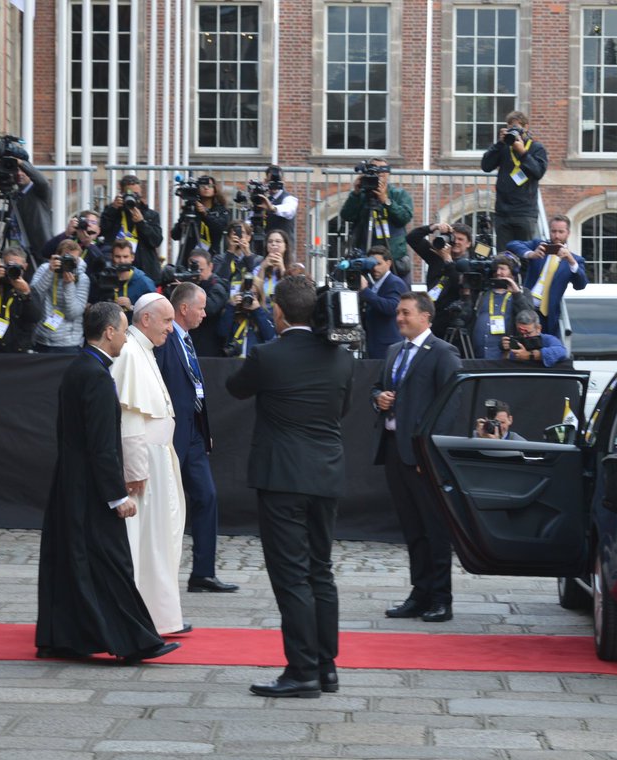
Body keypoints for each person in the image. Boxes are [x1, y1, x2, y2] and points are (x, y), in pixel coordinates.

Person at [225, 275, 355, 698]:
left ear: (278, 310)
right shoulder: (342, 358)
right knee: (321, 571)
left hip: (283, 477)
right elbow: (343, 409)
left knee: (292, 576)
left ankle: (302, 671)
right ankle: (326, 667)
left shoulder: (268, 354)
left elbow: (235, 387)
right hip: (326, 473)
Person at [35, 302, 179, 663]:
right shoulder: (98, 377)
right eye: (124, 329)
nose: (127, 339)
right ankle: (135, 641)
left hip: (70, 484)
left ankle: (63, 638)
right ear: (110, 332)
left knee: (70, 562)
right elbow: (102, 445)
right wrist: (117, 496)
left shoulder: (78, 368)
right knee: (112, 563)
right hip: (92, 491)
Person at [372, 293, 462, 623]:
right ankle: (419, 592)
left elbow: (451, 405)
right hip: (395, 449)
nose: (399, 318)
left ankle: (442, 597)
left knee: (434, 527)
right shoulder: (394, 351)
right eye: (397, 312)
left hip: (424, 455)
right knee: (411, 527)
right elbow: (377, 388)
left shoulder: (442, 352)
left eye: (405, 313)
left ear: (425, 317)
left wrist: (431, 451)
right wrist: (378, 398)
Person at [108, 294, 191, 637]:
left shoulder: (146, 351)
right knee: (147, 542)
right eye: (167, 321)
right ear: (146, 320)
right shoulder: (129, 352)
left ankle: (162, 615)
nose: (171, 329)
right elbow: (130, 419)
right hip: (145, 465)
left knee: (162, 539)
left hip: (159, 457)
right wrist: (136, 469)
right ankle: (144, 615)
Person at [155, 282, 238, 594]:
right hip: (172, 434)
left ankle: (203, 573)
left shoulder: (188, 340)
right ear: (185, 309)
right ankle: (160, 575)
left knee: (207, 497)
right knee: (169, 505)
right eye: (201, 308)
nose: (206, 313)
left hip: (194, 434)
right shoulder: (165, 340)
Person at [507, 215, 588, 339]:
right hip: (526, 306)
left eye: (561, 232)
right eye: (553, 231)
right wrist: (531, 254)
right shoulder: (539, 245)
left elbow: (580, 285)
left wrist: (571, 261)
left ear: (568, 233)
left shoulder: (576, 259)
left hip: (547, 315)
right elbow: (512, 244)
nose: (556, 236)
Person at [481, 110, 548, 249]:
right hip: (503, 212)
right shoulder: (504, 148)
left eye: (517, 128)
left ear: (526, 127)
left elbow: (538, 172)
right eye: (511, 128)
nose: (514, 132)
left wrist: (523, 152)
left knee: (526, 255)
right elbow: (486, 166)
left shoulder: (536, 148)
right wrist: (499, 144)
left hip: (525, 212)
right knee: (504, 257)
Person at [339, 158, 415, 277]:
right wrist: (356, 194)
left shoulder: (399, 194)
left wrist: (386, 201)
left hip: (393, 255)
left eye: (381, 171)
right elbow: (346, 215)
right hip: (366, 253)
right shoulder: (361, 195)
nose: (378, 174)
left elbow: (404, 218)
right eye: (374, 171)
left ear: (387, 173)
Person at [406, 221, 471, 337]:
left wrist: (448, 260)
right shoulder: (436, 256)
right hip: (432, 317)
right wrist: (433, 227)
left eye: (461, 239)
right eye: (454, 238)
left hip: (454, 320)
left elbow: (459, 285)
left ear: (468, 243)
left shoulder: (469, 264)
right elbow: (412, 238)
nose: (456, 242)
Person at [101, 174, 165, 283]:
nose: (133, 198)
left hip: (145, 271)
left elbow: (156, 241)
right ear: (121, 194)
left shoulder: (150, 215)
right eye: (129, 194)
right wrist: (113, 209)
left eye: (136, 194)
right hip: (117, 271)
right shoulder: (114, 213)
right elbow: (103, 231)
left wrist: (141, 223)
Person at [31, 241, 91, 354]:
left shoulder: (82, 278)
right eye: (66, 258)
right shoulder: (45, 269)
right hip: (41, 339)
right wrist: (49, 272)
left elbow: (73, 313)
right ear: (57, 256)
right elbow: (33, 299)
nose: (70, 263)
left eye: (74, 260)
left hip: (68, 344)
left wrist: (69, 285)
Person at [471, 254, 532, 359]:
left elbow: (529, 317)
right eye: (497, 269)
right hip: (479, 356)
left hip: (506, 356)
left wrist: (516, 294)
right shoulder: (483, 293)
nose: (498, 273)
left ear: (513, 272)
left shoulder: (522, 292)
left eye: (502, 269)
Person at [355, 245, 408, 359]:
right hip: (374, 345)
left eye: (379, 264)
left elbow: (392, 307)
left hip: (388, 346)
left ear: (388, 263)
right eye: (372, 264)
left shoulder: (395, 283)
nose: (374, 268)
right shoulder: (374, 283)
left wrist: (365, 291)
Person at [2, 157, 54, 265]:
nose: (19, 174)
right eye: (16, 170)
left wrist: (22, 163)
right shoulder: (16, 194)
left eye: (23, 171)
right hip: (18, 250)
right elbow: (15, 218)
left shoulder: (39, 191)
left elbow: (43, 182)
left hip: (37, 248)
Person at [180, 249, 229, 357]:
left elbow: (210, 308)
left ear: (210, 267)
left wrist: (190, 292)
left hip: (210, 347)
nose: (197, 274)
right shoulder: (189, 285)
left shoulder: (217, 286)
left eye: (201, 270)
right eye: (193, 270)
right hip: (191, 341)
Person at [42, 210, 109, 286]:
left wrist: (89, 244)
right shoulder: (69, 242)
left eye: (93, 222)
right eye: (86, 221)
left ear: (99, 230)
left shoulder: (103, 247)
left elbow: (101, 265)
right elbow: (45, 252)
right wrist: (66, 233)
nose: (89, 224)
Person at [173, 175, 232, 256]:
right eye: (202, 185)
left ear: (215, 189)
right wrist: (181, 226)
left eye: (210, 186)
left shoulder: (221, 210)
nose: (206, 188)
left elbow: (220, 229)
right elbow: (174, 235)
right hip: (189, 255)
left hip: (211, 256)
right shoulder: (190, 209)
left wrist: (205, 214)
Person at [218, 277, 276, 358]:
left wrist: (258, 311)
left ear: (260, 296)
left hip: (255, 361)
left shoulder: (264, 313)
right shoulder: (233, 312)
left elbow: (269, 336)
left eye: (254, 294)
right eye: (247, 292)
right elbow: (222, 332)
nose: (250, 296)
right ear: (241, 293)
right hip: (233, 361)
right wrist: (231, 307)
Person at [108, 240, 159, 322]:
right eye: (118, 256)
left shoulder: (144, 283)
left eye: (125, 257)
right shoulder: (106, 279)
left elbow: (156, 312)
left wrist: (132, 307)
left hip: (135, 332)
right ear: (112, 257)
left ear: (132, 257)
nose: (122, 261)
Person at [500, 309, 567, 366]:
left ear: (538, 328)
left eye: (528, 333)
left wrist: (530, 355)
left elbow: (561, 352)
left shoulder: (548, 339)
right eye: (521, 333)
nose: (524, 337)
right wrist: (506, 351)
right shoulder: (517, 342)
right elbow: (505, 365)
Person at [252, 165, 299, 247]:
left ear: (283, 181)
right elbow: (250, 218)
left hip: (284, 252)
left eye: (277, 181)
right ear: (265, 181)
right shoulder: (263, 198)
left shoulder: (289, 198)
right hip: (266, 248)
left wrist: (273, 208)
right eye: (270, 181)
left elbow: (289, 210)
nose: (274, 184)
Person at [214, 220, 263, 286]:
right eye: (234, 233)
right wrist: (230, 252)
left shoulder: (258, 260)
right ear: (228, 238)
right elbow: (220, 279)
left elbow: (257, 281)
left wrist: (248, 255)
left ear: (249, 237)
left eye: (242, 233)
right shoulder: (218, 259)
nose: (239, 236)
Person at [257, 229, 294, 305]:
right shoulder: (258, 268)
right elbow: (255, 291)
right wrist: (263, 268)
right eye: (270, 242)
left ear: (285, 246)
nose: (273, 244)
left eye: (278, 241)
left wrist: (282, 267)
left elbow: (292, 291)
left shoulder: (293, 269)